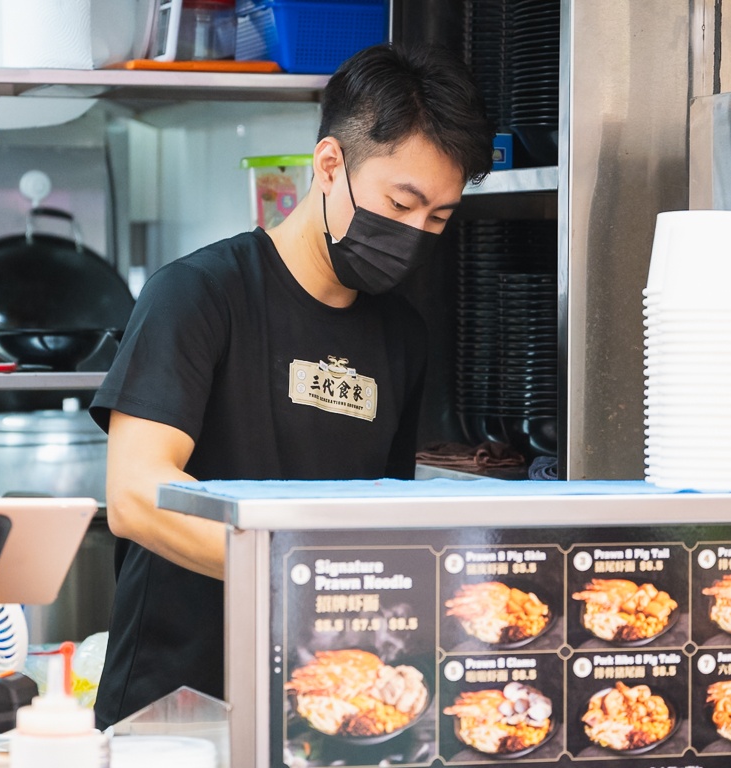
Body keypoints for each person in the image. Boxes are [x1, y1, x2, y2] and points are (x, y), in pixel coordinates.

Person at [88, 42, 494, 729]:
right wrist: (306, 579)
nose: (416, 234)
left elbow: (381, 517)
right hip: (175, 706)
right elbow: (135, 495)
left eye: (438, 218)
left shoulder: (402, 335)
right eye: (402, 203)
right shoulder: (198, 295)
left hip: (325, 709)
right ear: (330, 164)